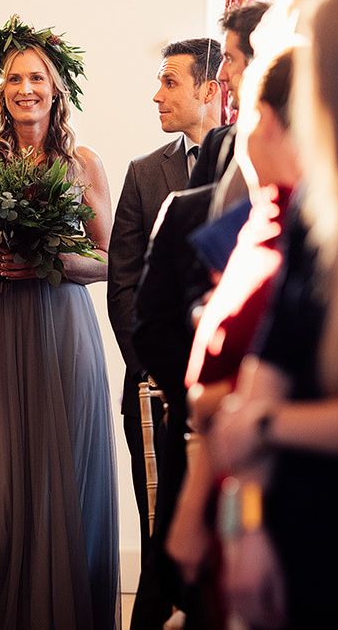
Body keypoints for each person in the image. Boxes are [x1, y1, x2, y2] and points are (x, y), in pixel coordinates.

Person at [210, 0, 338, 629]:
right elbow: (262, 379)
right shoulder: (316, 223)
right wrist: (245, 526)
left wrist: (267, 426)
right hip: (300, 543)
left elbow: (252, 419)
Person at [0, 15, 119, 629]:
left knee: (57, 478)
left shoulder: (82, 162)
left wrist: (57, 259)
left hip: (62, 326)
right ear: (0, 87)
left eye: (37, 76)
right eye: (14, 77)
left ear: (57, 85)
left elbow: (111, 259)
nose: (25, 88)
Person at [166, 48, 297, 617]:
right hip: (227, 489)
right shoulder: (263, 219)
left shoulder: (306, 233)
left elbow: (262, 392)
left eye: (248, 111)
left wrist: (241, 523)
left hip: (279, 510)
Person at [107, 38, 221, 630]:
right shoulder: (145, 174)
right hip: (153, 388)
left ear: (209, 90)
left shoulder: (243, 164)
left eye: (171, 82)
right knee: (160, 536)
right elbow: (123, 282)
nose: (157, 94)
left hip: (225, 396)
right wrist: (150, 365)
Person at [187, 1, 271, 212]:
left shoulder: (319, 144)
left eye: (229, 59)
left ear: (258, 62)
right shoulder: (217, 143)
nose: (220, 74)